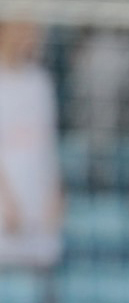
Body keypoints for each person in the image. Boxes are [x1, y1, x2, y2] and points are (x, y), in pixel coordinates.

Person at [0, 19, 63, 272]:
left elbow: (49, 144)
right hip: (7, 203)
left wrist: (56, 192)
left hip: (38, 201)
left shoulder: (40, 82)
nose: (31, 38)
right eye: (24, 29)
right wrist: (6, 202)